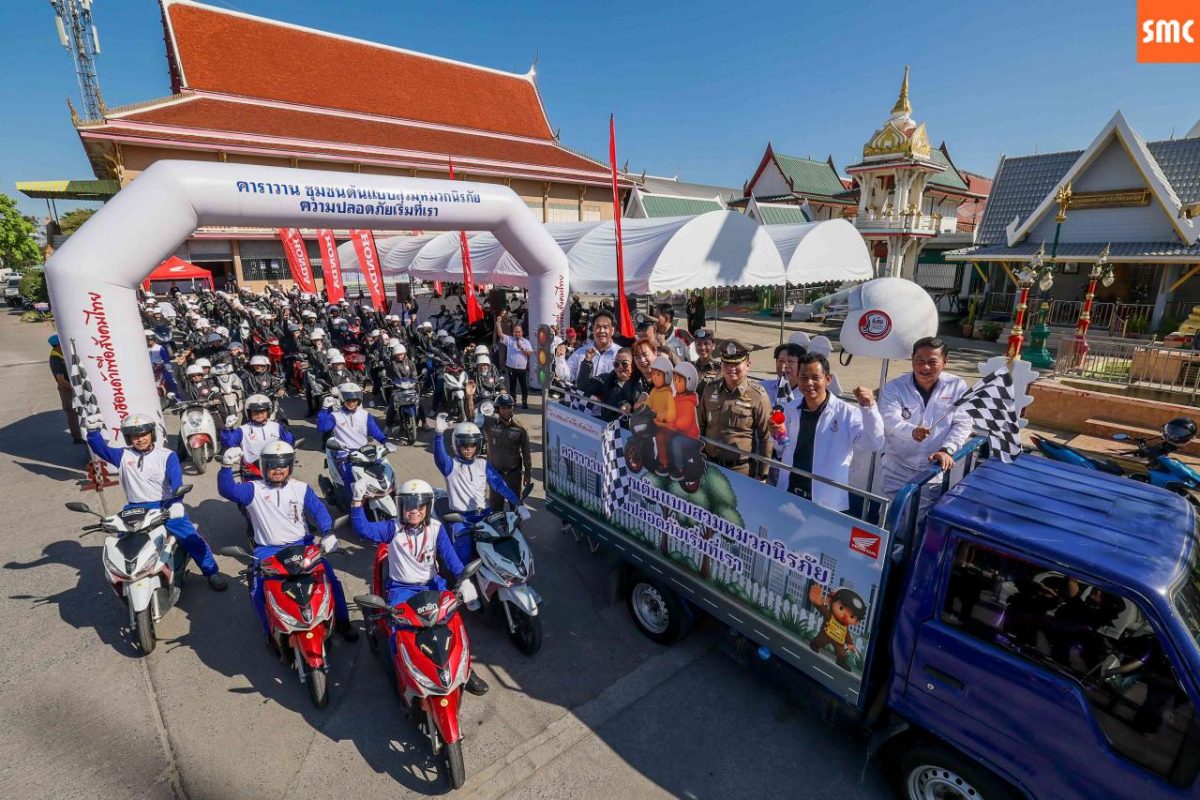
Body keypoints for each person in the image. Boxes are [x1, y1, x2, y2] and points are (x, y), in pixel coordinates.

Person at [349, 478, 489, 695]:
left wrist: (464, 579)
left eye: (420, 506)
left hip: (432, 585)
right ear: (400, 507)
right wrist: (357, 501)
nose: (414, 511)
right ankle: (401, 671)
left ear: (428, 507)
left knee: (454, 623)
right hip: (401, 589)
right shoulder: (392, 528)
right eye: (409, 506)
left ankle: (466, 669)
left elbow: (450, 559)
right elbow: (362, 529)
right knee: (398, 630)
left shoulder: (436, 528)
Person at [216, 440, 357, 641]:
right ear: (264, 466)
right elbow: (227, 490)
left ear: (290, 466)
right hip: (268, 550)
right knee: (258, 591)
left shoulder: (301, 488)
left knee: (331, 581)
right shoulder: (252, 489)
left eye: (283, 465)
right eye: (273, 465)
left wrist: (328, 533)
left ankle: (343, 621)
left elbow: (319, 511)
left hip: (303, 545)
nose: (278, 470)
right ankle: (269, 633)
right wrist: (225, 467)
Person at [85, 412, 227, 590]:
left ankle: (211, 572)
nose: (140, 439)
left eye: (144, 434)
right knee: (123, 545)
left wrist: (177, 502)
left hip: (165, 505)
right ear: (128, 438)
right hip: (135, 508)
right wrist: (93, 432)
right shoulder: (122, 455)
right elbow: (100, 448)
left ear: (151, 434)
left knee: (190, 538)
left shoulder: (166, 455)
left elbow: (176, 480)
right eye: (134, 436)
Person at [771, 353, 884, 512]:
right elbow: (782, 448)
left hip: (825, 500)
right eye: (804, 378)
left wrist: (869, 409)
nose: (809, 383)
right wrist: (777, 434)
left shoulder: (847, 413)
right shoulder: (791, 408)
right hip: (790, 493)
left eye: (815, 378)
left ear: (828, 379)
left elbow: (874, 443)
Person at [878, 337, 973, 516]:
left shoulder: (956, 386)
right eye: (919, 360)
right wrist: (912, 432)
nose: (925, 367)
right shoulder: (895, 387)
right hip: (897, 466)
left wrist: (947, 450)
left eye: (932, 362)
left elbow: (963, 422)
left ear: (945, 362)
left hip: (931, 470)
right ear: (912, 359)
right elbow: (889, 420)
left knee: (921, 517)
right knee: (890, 515)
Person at [432, 415, 530, 564]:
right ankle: (461, 578)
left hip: (485, 515)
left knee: (506, 543)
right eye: (464, 445)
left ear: (478, 445)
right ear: (456, 445)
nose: (468, 448)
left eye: (472, 445)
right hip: (462, 519)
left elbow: (500, 485)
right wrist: (438, 435)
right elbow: (439, 457)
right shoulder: (450, 466)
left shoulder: (483, 464)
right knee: (464, 553)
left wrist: (518, 503)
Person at [697, 340, 772, 479]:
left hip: (740, 471)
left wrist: (762, 474)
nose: (731, 368)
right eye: (727, 363)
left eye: (736, 363)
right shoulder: (710, 389)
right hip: (709, 465)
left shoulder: (758, 396)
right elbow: (700, 425)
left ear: (748, 365)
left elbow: (766, 437)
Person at [316, 382, 393, 491]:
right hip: (345, 454)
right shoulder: (335, 416)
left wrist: (385, 441)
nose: (351, 403)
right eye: (348, 400)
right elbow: (322, 427)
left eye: (354, 400)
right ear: (342, 400)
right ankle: (352, 501)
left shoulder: (365, 415)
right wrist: (324, 409)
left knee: (386, 472)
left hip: (365, 451)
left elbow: (375, 431)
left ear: (358, 400)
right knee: (350, 479)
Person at [482, 394, 532, 510]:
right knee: (495, 509)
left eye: (509, 407)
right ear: (497, 410)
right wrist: (469, 396)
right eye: (503, 408)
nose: (507, 411)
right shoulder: (489, 423)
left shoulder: (520, 428)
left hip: (513, 475)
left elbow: (526, 453)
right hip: (496, 476)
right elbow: (471, 416)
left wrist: (528, 473)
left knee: (516, 509)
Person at [219, 394, 293, 473]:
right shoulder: (243, 430)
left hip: (274, 468)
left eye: (263, 411)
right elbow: (228, 443)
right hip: (251, 471)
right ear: (249, 412)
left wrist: (286, 432)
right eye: (255, 412)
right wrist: (227, 428)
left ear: (268, 412)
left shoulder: (276, 426)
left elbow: (289, 442)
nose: (259, 414)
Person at [575, 347, 639, 421]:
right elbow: (583, 388)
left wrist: (629, 403)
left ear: (633, 364)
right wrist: (587, 361)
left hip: (631, 427)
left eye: (624, 364)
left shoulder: (640, 382)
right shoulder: (605, 379)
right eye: (616, 364)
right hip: (607, 426)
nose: (620, 367)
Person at [565, 310, 621, 382]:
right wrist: (559, 359)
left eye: (605, 327)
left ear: (612, 331)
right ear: (593, 330)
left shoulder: (620, 354)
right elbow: (567, 376)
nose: (601, 331)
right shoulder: (580, 353)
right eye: (598, 327)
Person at [48, 334, 84, 444]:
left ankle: (82, 434)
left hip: (72, 387)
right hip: (66, 389)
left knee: (80, 411)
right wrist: (75, 389)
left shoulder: (61, 354)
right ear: (58, 345)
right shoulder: (55, 359)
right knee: (72, 413)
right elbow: (61, 381)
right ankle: (77, 437)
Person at [646, 355, 677, 475]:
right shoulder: (654, 391)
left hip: (667, 426)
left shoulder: (669, 394)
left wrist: (661, 415)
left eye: (658, 374)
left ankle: (666, 464)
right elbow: (648, 404)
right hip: (655, 423)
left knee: (662, 438)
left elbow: (672, 413)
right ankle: (656, 460)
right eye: (653, 374)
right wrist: (642, 407)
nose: (654, 377)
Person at [494, 311, 533, 409]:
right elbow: (500, 334)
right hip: (511, 368)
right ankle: (513, 402)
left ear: (522, 333)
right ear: (513, 333)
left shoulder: (526, 342)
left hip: (522, 368)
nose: (517, 333)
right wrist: (498, 323)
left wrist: (522, 348)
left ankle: (524, 402)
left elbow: (529, 354)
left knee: (524, 386)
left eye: (519, 332)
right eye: (515, 332)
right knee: (512, 386)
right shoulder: (510, 340)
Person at [760, 342, 805, 409]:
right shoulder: (762, 388)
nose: (784, 366)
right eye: (781, 361)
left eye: (790, 362)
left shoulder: (807, 394)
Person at [691, 329, 720, 396]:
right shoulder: (690, 367)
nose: (702, 347)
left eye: (706, 343)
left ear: (713, 345)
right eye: (699, 344)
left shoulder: (720, 369)